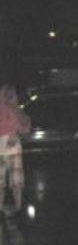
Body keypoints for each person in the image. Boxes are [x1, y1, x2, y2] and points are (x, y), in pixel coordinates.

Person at [0, 85, 31, 220]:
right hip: (4, 146)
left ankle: (17, 207)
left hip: (12, 147)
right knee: (6, 179)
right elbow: (23, 127)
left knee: (15, 179)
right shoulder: (6, 109)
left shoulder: (15, 109)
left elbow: (25, 127)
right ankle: (9, 207)